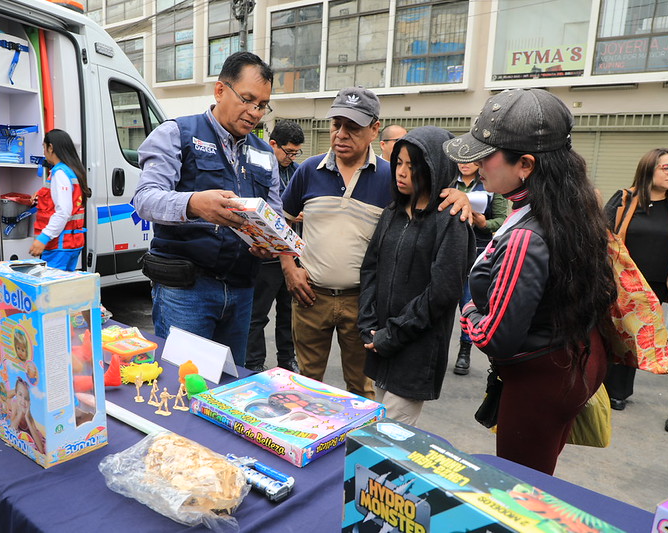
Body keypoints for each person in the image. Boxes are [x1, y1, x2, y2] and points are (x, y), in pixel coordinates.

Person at [443, 88, 616, 475]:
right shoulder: (567, 205)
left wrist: (467, 300)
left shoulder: (526, 234)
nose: (477, 164)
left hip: (539, 379)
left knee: (521, 488)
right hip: (573, 358)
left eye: (486, 155)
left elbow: (494, 338)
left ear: (525, 164)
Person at [281, 87, 472, 399]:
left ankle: (357, 447)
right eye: (335, 125)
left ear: (374, 130)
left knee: (362, 389)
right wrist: (289, 267)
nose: (341, 135)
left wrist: (457, 193)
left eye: (352, 127)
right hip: (309, 297)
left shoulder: (393, 176)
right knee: (306, 383)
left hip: (363, 304)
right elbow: (283, 222)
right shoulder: (307, 170)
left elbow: (430, 198)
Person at [131, 52, 280, 366]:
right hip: (187, 291)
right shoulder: (177, 134)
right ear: (220, 90)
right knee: (183, 387)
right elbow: (145, 199)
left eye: (262, 105)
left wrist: (270, 242)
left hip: (241, 291)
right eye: (248, 99)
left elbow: (273, 213)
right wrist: (193, 204)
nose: (254, 113)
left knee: (228, 389)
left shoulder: (265, 153)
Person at [359, 126, 474, 426]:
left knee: (387, 438)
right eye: (399, 163)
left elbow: (443, 293)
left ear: (435, 168)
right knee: (374, 428)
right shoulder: (392, 212)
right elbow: (370, 267)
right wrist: (368, 323)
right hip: (380, 343)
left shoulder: (450, 220)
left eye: (413, 166)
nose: (401, 172)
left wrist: (392, 334)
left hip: (414, 353)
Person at [602, 148, 668, 417]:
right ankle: (596, 386)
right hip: (619, 284)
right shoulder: (625, 199)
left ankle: (619, 392)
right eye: (666, 168)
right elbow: (602, 234)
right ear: (649, 170)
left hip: (652, 288)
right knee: (607, 333)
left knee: (635, 336)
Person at [245, 120, 304, 373]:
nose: (291, 157)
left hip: (295, 254)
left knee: (289, 314)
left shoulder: (300, 172)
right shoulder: (260, 171)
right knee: (257, 315)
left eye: (296, 152)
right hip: (268, 254)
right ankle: (255, 363)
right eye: (288, 151)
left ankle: (287, 360)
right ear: (272, 144)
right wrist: (289, 216)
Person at [451, 161, 508, 375]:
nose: (464, 164)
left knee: (469, 301)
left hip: (477, 249)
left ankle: (464, 350)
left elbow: (503, 220)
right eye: (460, 160)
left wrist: (485, 224)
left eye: (470, 160)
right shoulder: (448, 182)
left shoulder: (490, 185)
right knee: (441, 300)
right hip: (450, 247)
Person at [29, 129, 92, 271]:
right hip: (72, 243)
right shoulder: (72, 170)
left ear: (51, 147)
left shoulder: (60, 173)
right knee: (64, 289)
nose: (44, 152)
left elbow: (63, 212)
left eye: (44, 147)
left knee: (53, 290)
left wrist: (43, 238)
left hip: (59, 246)